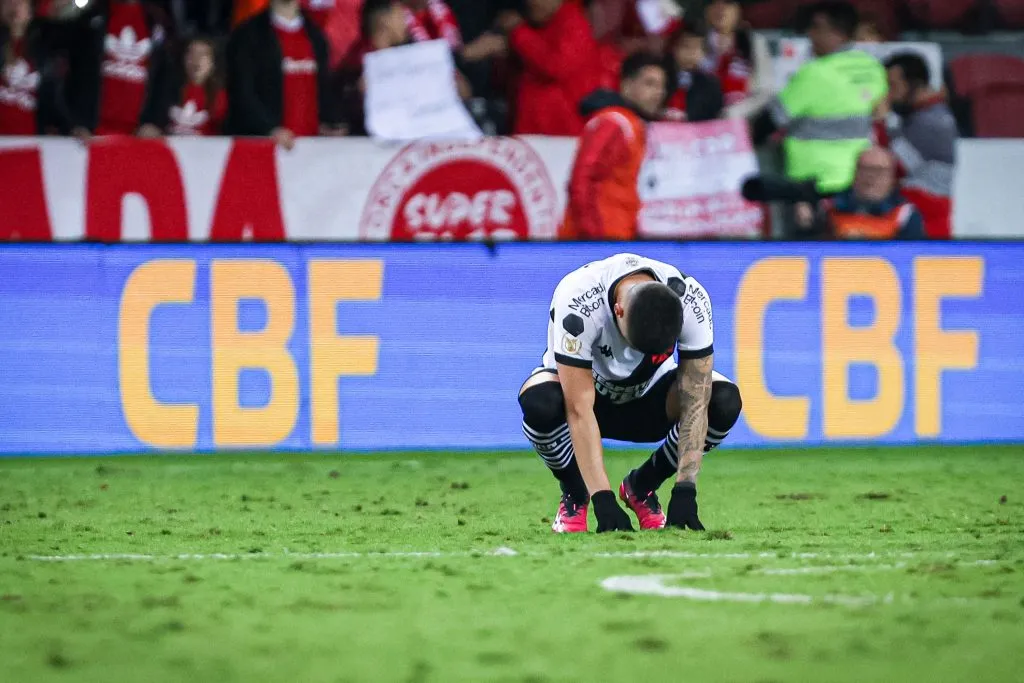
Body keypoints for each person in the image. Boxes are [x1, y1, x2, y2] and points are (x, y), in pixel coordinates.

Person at [518, 253, 743, 533]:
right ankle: (575, 493)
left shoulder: (692, 299)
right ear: (618, 310)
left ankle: (642, 486)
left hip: (651, 400)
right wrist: (603, 498)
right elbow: (578, 408)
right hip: (585, 401)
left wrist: (686, 489)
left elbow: (696, 399)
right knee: (539, 402)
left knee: (723, 401)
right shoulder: (577, 299)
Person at [752, 1, 886, 195]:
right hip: (857, 180)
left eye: (817, 27)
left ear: (838, 33)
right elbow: (880, 112)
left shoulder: (815, 73)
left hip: (814, 181)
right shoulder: (871, 66)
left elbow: (771, 120)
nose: (810, 34)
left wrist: (743, 140)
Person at [560, 52, 666, 240]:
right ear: (626, 85)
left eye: (661, 86)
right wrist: (593, 235)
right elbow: (582, 178)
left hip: (617, 234)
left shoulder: (631, 123)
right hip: (599, 238)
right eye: (649, 83)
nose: (659, 93)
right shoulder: (613, 122)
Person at [225, 0, 343, 149]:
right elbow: (241, 93)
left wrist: (331, 123)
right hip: (267, 150)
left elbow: (324, 88)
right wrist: (269, 129)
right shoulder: (247, 36)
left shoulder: (316, 37)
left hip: (312, 150)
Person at [62, 0, 173, 137]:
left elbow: (163, 78)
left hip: (139, 135)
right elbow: (72, 73)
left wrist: (154, 121)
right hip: (92, 133)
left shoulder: (156, 21)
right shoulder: (91, 18)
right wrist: (77, 122)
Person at [881, 52, 957, 239]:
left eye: (892, 86)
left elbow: (898, 167)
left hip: (926, 218)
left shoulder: (932, 122)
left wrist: (885, 120)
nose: (888, 95)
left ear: (913, 84)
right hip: (921, 212)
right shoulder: (922, 115)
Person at [499, 0, 600, 136]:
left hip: (558, 131)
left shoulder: (573, 23)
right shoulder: (544, 23)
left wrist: (520, 33)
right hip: (539, 130)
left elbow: (557, 67)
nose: (530, 3)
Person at [795, 147, 926, 240]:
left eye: (878, 171)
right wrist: (806, 226)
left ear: (891, 177)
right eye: (865, 169)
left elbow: (911, 257)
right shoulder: (828, 206)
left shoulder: (905, 214)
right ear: (855, 173)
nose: (871, 177)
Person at [0, 0, 72, 135]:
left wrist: (69, 127)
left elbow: (52, 95)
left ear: (30, 10)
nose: (13, 7)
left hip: (28, 139)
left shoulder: (44, 47)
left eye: (19, 3)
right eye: (7, 2)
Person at [138, 36, 226, 136]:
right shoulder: (168, 90)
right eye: (191, 53)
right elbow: (155, 122)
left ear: (212, 63)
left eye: (203, 54)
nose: (196, 59)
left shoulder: (220, 96)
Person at [663, 21, 723, 123]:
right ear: (674, 48)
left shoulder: (711, 85)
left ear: (704, 53)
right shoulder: (659, 76)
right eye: (686, 47)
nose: (691, 53)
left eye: (697, 48)